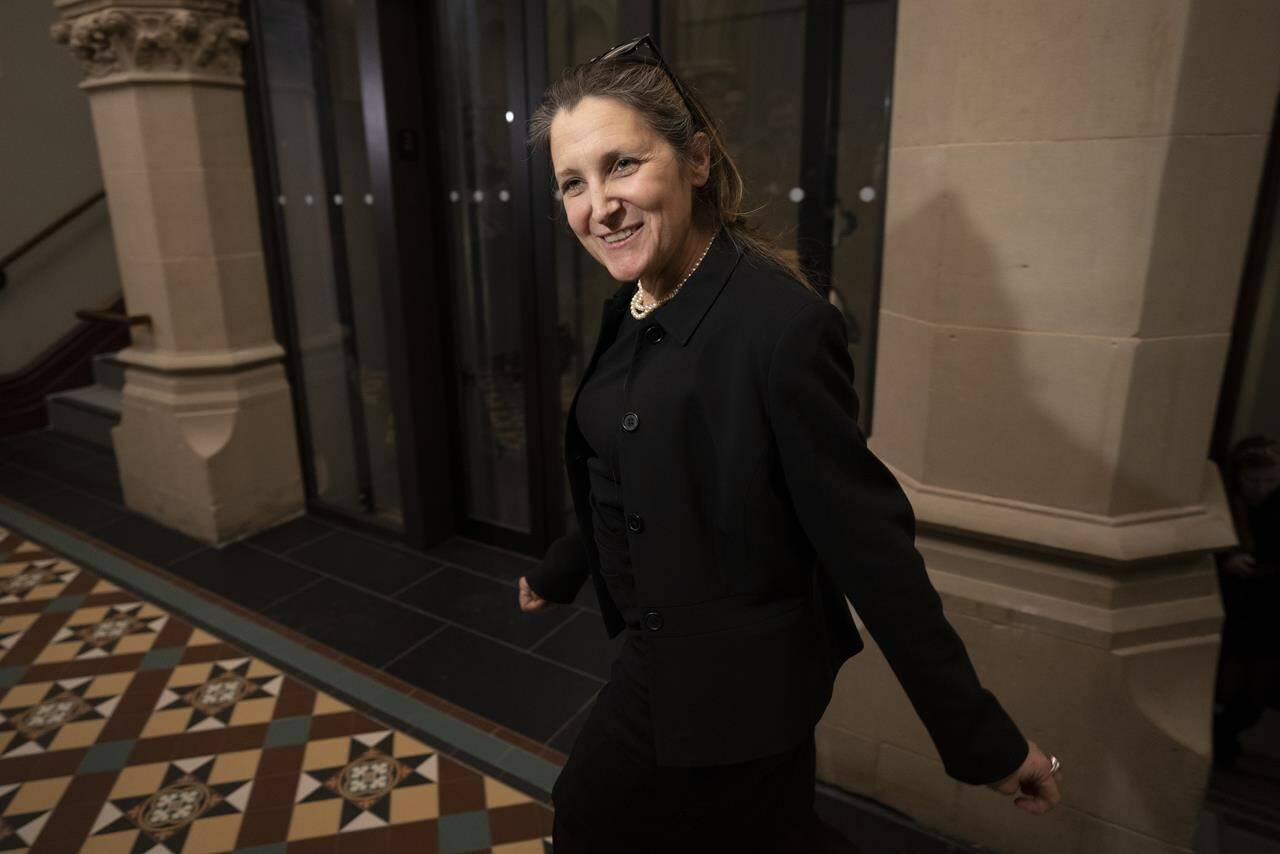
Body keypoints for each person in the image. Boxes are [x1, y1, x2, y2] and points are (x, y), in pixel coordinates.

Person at [515, 35, 1063, 852]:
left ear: (697, 159)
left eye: (622, 165)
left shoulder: (781, 329)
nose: (599, 205)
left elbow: (869, 545)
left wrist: (978, 735)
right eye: (572, 183)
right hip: (666, 651)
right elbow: (620, 461)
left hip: (739, 682)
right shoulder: (630, 302)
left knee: (590, 816)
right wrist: (565, 568)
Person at [1212, 436, 1280, 770]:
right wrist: (1226, 559)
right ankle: (1219, 743)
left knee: (1255, 692)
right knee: (1223, 682)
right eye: (1253, 481)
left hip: (1267, 607)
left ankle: (1223, 737)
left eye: (1271, 480)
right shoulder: (1223, 503)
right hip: (1230, 604)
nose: (1261, 488)